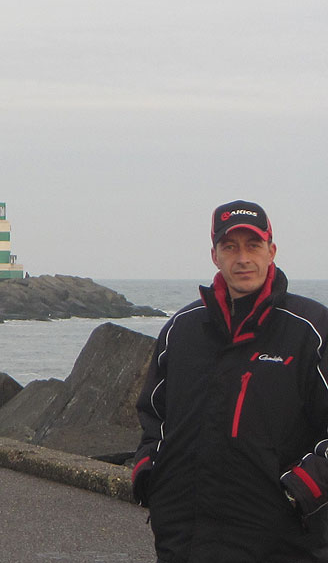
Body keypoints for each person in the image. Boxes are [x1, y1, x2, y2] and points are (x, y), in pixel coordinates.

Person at [133, 201, 328, 562]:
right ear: (215, 255)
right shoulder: (182, 328)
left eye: (253, 246)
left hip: (280, 540)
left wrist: (304, 488)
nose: (243, 259)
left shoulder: (311, 330)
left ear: (271, 251)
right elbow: (153, 414)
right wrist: (149, 472)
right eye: (230, 247)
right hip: (185, 536)